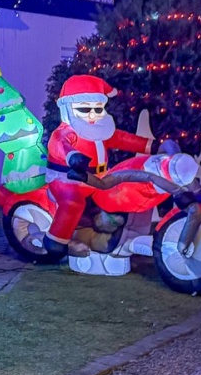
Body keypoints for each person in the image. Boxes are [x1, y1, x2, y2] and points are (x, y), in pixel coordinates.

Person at [45, 75, 152, 256]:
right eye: (85, 109)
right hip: (68, 179)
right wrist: (73, 157)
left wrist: (151, 146)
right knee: (73, 202)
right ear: (68, 108)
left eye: (98, 108)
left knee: (120, 190)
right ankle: (56, 240)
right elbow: (60, 145)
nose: (93, 114)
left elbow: (123, 139)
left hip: (99, 179)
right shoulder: (65, 132)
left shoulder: (102, 131)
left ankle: (108, 227)